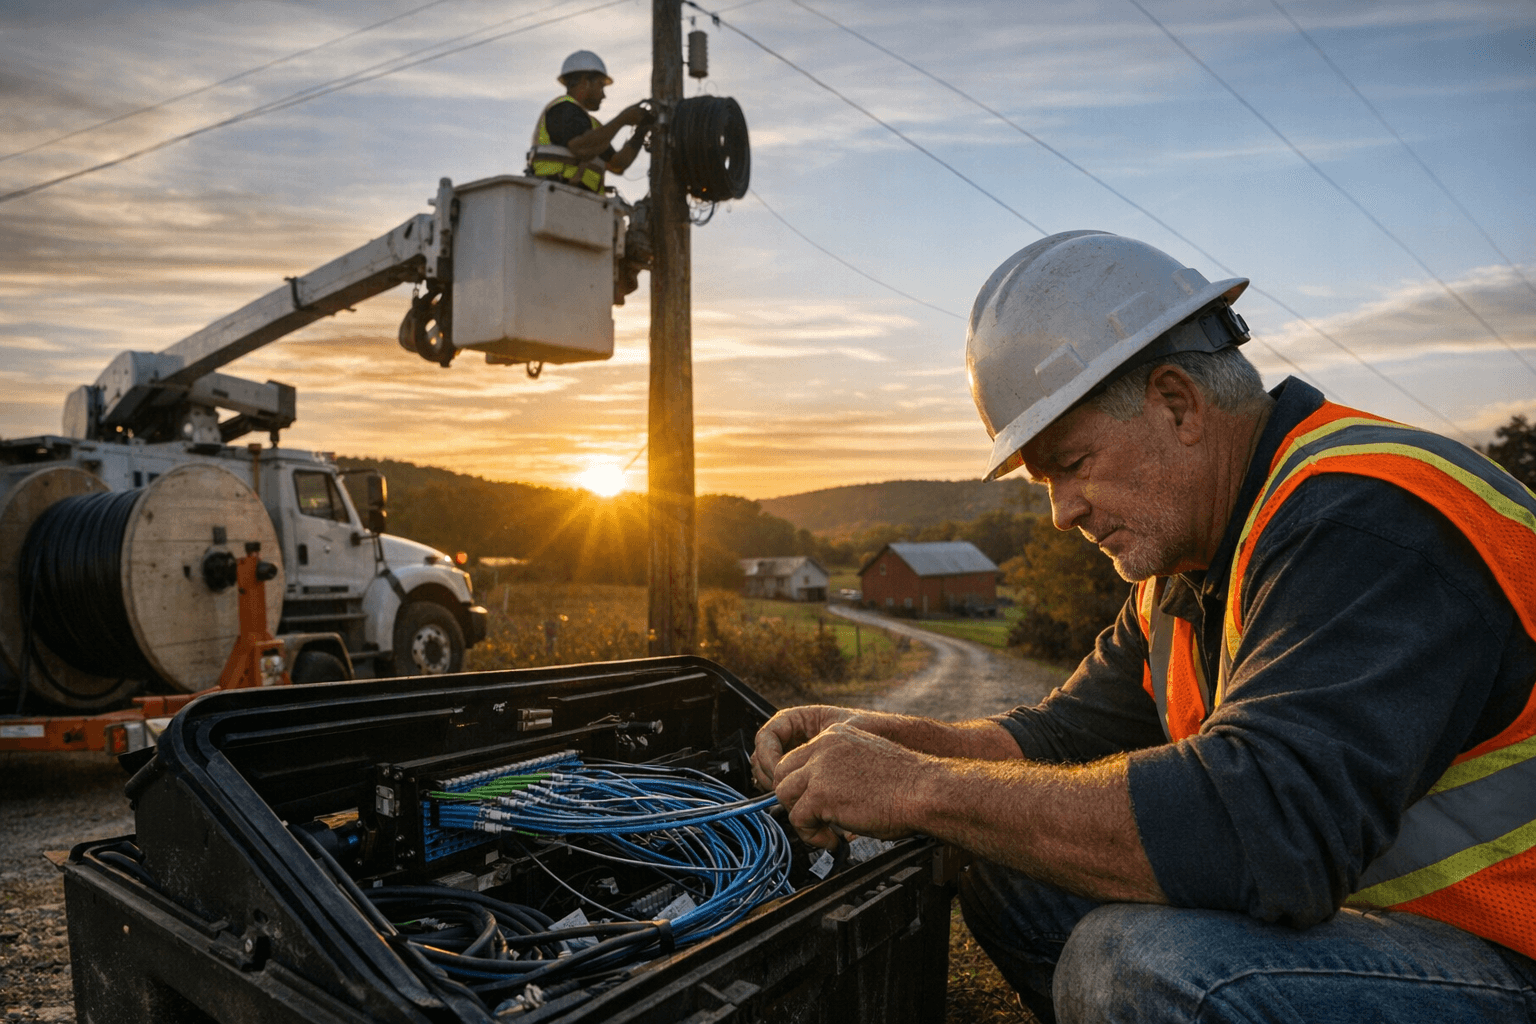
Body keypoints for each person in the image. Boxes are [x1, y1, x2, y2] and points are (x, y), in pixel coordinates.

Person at [752, 231, 1536, 1023]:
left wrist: (918, 789)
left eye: (1072, 463)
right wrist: (886, 745)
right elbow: (1058, 740)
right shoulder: (1189, 570)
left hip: (1514, 956)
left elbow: (1273, 831)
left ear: (1177, 404)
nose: (1061, 513)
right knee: (1006, 858)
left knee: (1133, 967)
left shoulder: (1368, 520)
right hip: (1401, 943)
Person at [528, 50, 652, 194]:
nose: (604, 95)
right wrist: (623, 119)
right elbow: (581, 147)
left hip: (581, 202)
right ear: (585, 82)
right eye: (600, 86)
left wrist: (641, 131)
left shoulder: (593, 129)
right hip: (557, 195)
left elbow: (618, 165)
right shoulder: (562, 109)